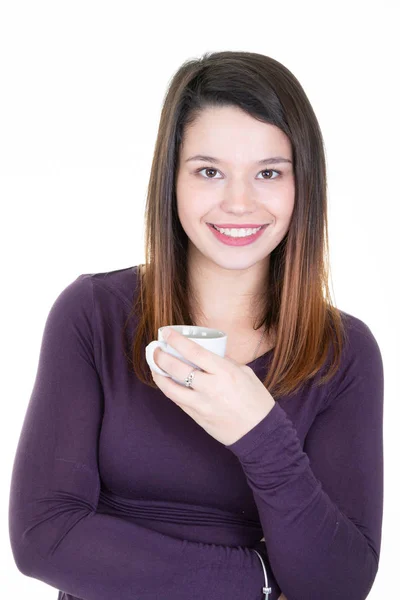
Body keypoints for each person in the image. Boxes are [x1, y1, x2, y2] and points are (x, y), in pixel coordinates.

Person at [9, 51, 384, 600]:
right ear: (173, 180)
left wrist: (261, 431)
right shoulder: (92, 313)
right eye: (210, 171)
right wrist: (256, 578)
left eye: (269, 173)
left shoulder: (343, 353)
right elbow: (43, 537)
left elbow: (339, 583)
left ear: (302, 185)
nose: (239, 202)